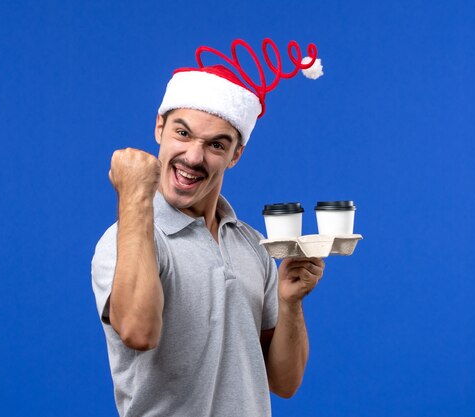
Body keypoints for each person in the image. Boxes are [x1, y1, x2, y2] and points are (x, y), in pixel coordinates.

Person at [92, 38, 325, 417]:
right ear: (159, 128)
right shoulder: (129, 239)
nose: (194, 157)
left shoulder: (251, 244)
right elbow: (138, 331)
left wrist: (289, 303)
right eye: (182, 134)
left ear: (236, 155)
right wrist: (135, 194)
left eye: (216, 145)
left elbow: (284, 383)